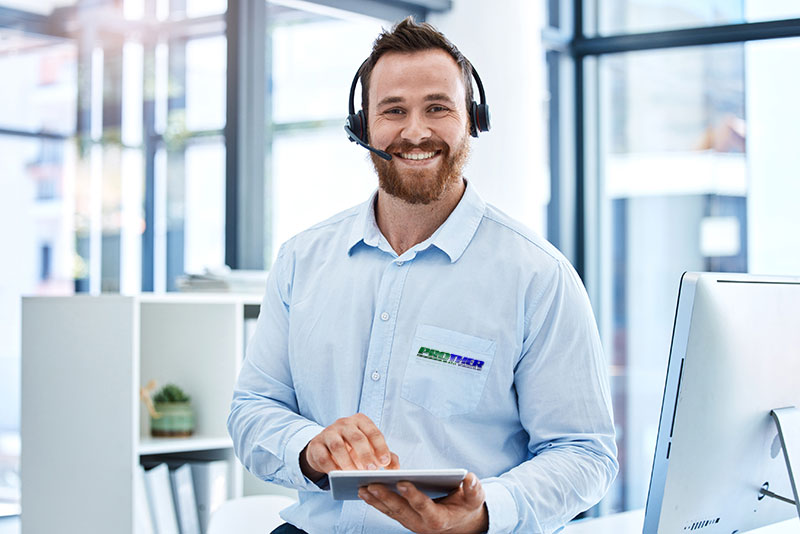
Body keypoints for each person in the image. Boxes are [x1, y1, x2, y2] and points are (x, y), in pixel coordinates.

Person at [228, 16, 618, 534]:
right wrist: (306, 449)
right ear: (362, 126)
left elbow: (584, 453)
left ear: (471, 119)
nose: (415, 131)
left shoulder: (537, 276)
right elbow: (254, 408)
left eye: (438, 108)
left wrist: (483, 512)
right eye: (393, 110)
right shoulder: (302, 260)